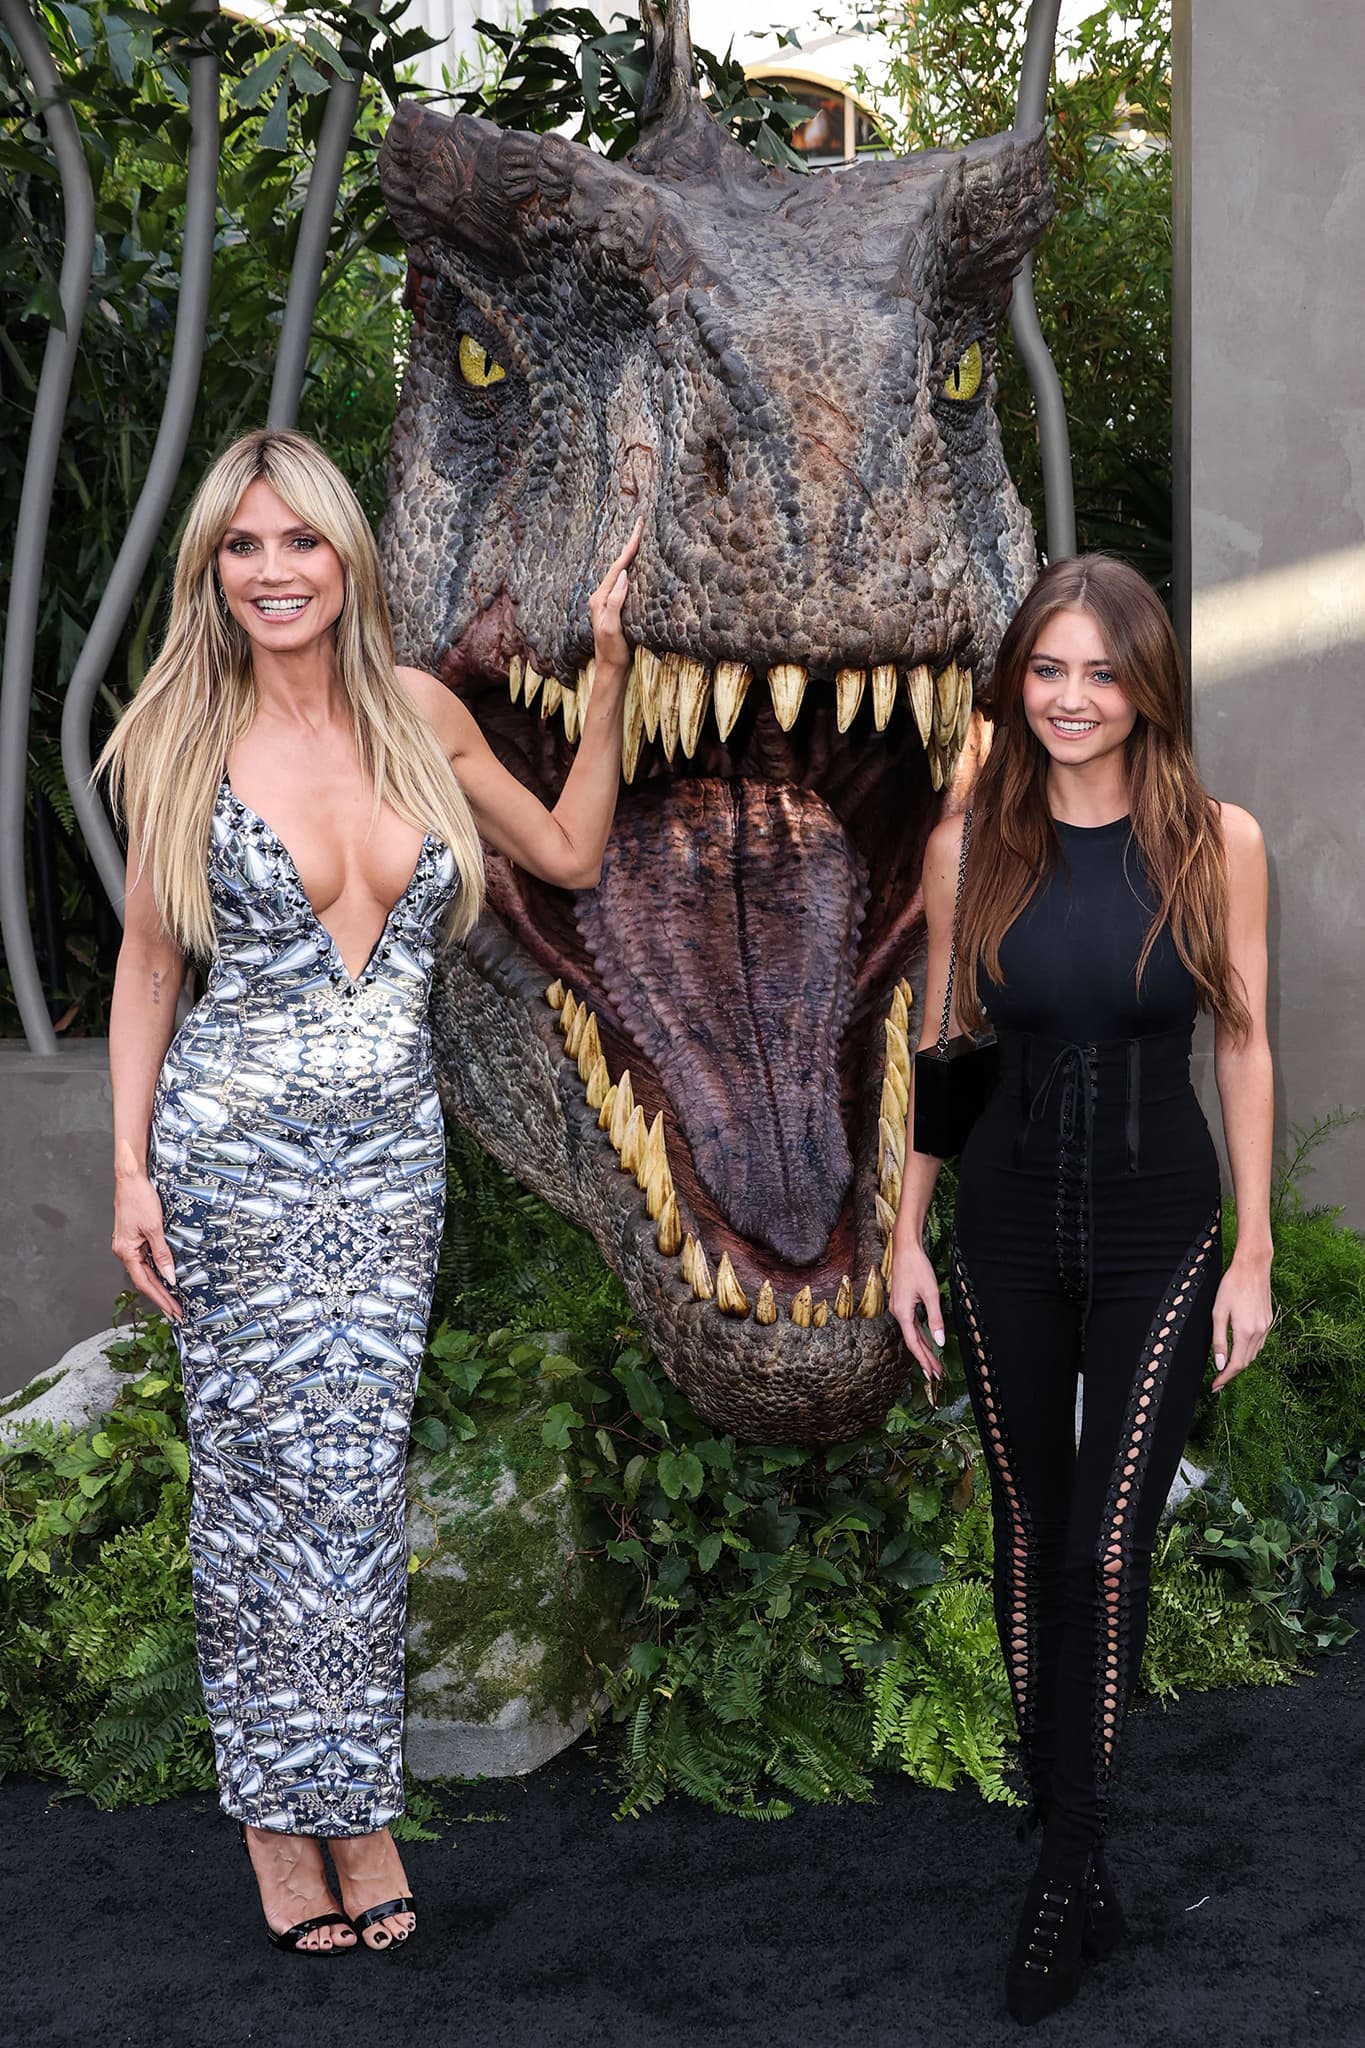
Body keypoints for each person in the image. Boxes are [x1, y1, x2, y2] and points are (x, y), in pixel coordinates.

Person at [101, 427, 639, 1954]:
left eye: (300, 545)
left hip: (387, 1171)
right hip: (231, 1163)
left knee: (349, 1500)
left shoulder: (417, 717)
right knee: (259, 1500)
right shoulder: (179, 740)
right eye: (244, 549)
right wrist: (130, 1169)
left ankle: (357, 1805)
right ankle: (289, 1832)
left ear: (346, 561)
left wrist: (602, 682)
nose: (274, 572)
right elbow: (150, 967)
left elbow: (575, 853)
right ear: (215, 570)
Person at [889, 554, 1273, 2024]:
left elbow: (1238, 1045)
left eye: (1099, 672)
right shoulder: (966, 848)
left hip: (1159, 1230)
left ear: (1145, 686)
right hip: (999, 1231)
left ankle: (1068, 1869)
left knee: (1105, 1547)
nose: (1069, 698)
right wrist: (907, 1232)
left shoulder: (1213, 843)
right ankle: (1075, 1856)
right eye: (1044, 670)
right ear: (1014, 686)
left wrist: (1250, 1251)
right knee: (1031, 1529)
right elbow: (946, 1048)